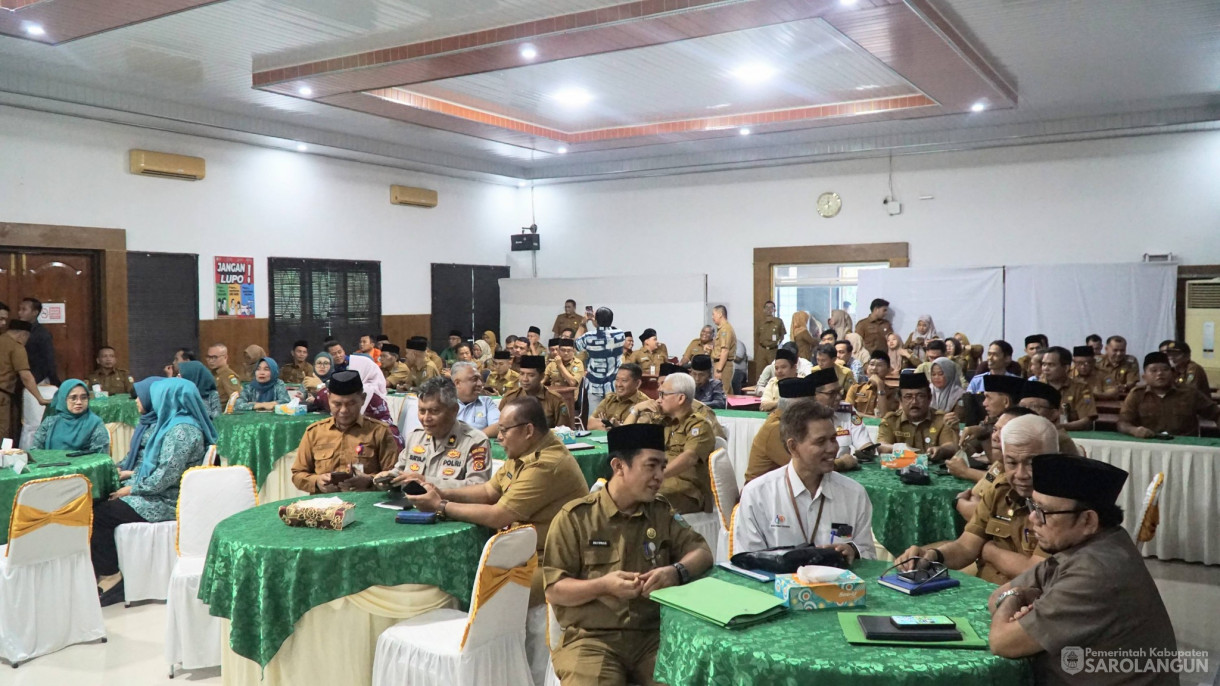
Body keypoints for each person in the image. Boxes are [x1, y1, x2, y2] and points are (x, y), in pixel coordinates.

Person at [406, 396, 589, 681]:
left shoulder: (546, 463)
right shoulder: (524, 453)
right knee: (476, 578)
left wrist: (439, 507)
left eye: (504, 430)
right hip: (527, 552)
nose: (498, 436)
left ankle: (498, 674)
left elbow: (498, 515)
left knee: (486, 592)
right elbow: (489, 492)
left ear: (528, 430)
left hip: (554, 561)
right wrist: (439, 490)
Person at [544, 424, 713, 686]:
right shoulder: (577, 518)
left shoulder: (660, 512)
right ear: (619, 466)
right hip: (592, 639)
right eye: (651, 465)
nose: (660, 476)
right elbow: (555, 589)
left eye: (663, 466)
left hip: (653, 636)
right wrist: (603, 586)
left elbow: (702, 552)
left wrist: (675, 572)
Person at [987, 455, 1177, 685]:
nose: (1033, 518)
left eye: (1044, 511)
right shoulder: (1088, 542)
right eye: (1032, 505)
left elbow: (1002, 642)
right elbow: (995, 597)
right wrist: (1015, 595)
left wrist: (1015, 596)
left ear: (1088, 520)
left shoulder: (1096, 572)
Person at [91, 377, 217, 605]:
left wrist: (132, 489)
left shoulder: (182, 431)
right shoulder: (173, 424)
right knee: (97, 503)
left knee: (100, 515)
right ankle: (101, 570)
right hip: (159, 492)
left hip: (167, 500)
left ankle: (113, 578)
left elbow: (165, 477)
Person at [896, 414, 1058, 585]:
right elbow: (966, 547)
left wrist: (989, 551)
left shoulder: (1061, 506)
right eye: (1011, 463)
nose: (1020, 474)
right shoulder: (1001, 490)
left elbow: (1036, 570)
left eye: (1031, 463)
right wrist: (931, 555)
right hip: (983, 592)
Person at [734, 399, 876, 560]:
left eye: (833, 439)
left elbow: (868, 554)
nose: (832, 449)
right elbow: (747, 561)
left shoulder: (854, 494)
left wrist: (854, 552)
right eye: (820, 441)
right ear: (793, 447)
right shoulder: (757, 494)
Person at [291, 370, 399, 494]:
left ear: (363, 399)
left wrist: (370, 481)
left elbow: (393, 477)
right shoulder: (315, 432)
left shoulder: (379, 432)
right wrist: (317, 482)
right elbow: (297, 474)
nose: (343, 410)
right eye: (337, 404)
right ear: (328, 399)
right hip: (325, 506)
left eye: (351, 403)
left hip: (365, 505)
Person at [382, 376, 491, 489]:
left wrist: (426, 481)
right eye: (422, 411)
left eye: (434, 411)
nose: (426, 418)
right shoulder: (415, 437)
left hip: (448, 505)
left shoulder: (475, 442)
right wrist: (389, 477)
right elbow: (400, 470)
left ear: (454, 410)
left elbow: (478, 486)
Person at [645, 372, 715, 514]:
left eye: (663, 395)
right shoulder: (662, 421)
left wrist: (658, 475)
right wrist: (636, 410)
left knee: (646, 499)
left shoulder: (699, 425)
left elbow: (689, 457)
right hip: (661, 482)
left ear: (680, 398)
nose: (658, 400)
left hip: (688, 491)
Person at [1118, 352, 1220, 437]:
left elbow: (1216, 414)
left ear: (1173, 373)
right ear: (1144, 377)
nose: (1160, 373)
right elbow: (1123, 423)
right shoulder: (1136, 395)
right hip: (1150, 445)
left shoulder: (1190, 393)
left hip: (1185, 447)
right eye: (1154, 370)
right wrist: (1134, 430)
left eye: (1165, 369)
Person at [877, 373, 960, 460]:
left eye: (920, 396)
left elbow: (951, 445)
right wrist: (898, 448)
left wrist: (940, 450)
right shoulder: (891, 420)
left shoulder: (941, 419)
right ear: (900, 400)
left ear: (929, 398)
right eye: (908, 397)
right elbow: (881, 446)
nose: (914, 402)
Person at [31, 379, 109, 454]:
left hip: (83, 466)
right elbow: (35, 451)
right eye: (73, 398)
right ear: (63, 399)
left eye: (84, 398)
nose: (79, 402)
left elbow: (100, 456)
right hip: (50, 466)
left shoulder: (95, 423)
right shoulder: (50, 422)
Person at [1038, 347, 1098, 431]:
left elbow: (1087, 420)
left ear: (1066, 368)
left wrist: (1061, 427)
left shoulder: (1081, 388)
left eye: (1051, 365)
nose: (1045, 369)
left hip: (1072, 434)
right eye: (1044, 364)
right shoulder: (1036, 387)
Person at [499, 355, 569, 428]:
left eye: (531, 375)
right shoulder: (510, 398)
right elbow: (499, 427)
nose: (525, 379)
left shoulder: (555, 400)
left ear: (542, 376)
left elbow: (563, 432)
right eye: (522, 374)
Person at [1018, 380, 1082, 456]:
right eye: (1022, 406)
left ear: (1053, 414)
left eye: (1034, 406)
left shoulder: (1057, 439)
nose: (1026, 411)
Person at [117, 377, 160, 480]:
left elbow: (160, 468)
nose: (136, 401)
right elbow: (135, 452)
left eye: (140, 397)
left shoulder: (161, 426)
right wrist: (119, 467)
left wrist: (131, 474)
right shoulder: (144, 422)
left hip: (145, 480)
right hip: (134, 474)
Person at [588, 363, 649, 430]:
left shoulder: (644, 404)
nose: (619, 384)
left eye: (624, 380)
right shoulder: (609, 399)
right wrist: (607, 427)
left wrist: (617, 429)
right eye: (617, 379)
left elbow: (639, 432)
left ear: (637, 383)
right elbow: (589, 424)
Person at [17, 297, 59, 385]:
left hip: (37, 379)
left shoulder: (42, 333)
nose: (19, 313)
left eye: (24, 310)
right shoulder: (16, 331)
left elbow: (49, 359)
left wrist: (54, 381)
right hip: (17, 380)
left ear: (35, 313)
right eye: (19, 309)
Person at [451, 361, 500, 434]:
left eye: (480, 379)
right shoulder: (444, 404)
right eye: (474, 379)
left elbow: (498, 426)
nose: (480, 384)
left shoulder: (486, 402)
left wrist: (472, 439)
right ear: (458, 383)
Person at [846, 349, 897, 418]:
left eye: (879, 365)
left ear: (888, 369)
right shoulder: (856, 389)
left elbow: (885, 417)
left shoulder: (893, 392)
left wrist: (880, 386)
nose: (874, 368)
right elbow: (848, 413)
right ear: (867, 369)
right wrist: (873, 418)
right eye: (871, 364)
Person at [1094, 335, 1139, 399]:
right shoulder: (1096, 361)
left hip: (1123, 397)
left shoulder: (1130, 362)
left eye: (1122, 350)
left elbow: (1132, 381)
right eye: (1115, 350)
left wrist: (1124, 386)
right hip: (1100, 397)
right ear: (1106, 349)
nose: (1119, 353)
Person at [759, 348, 800, 413]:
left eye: (783, 367)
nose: (779, 371)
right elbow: (764, 406)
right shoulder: (772, 382)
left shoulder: (802, 383)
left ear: (794, 368)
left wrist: (774, 404)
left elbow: (797, 406)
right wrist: (783, 405)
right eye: (776, 368)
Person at [755, 301, 786, 371]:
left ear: (775, 310)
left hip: (773, 350)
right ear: (764, 310)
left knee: (774, 371)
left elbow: (782, 335)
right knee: (760, 371)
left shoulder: (779, 322)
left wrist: (777, 343)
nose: (769, 309)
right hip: (762, 350)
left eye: (771, 307)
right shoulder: (760, 322)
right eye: (767, 307)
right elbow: (757, 336)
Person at [711, 305, 736, 389]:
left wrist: (719, 370)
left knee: (723, 391)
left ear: (720, 314)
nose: (712, 317)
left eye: (713, 314)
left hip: (723, 365)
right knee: (726, 391)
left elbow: (725, 351)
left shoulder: (725, 329)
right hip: (720, 364)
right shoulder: (722, 329)